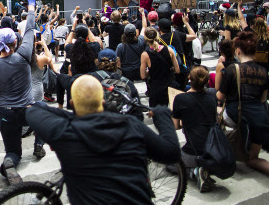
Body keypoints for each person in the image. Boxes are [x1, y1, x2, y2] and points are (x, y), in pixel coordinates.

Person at [26, 74, 180, 204]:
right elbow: (171, 153)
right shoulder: (132, 125)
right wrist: (162, 114)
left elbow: (33, 112)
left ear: (72, 104)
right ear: (103, 103)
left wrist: (74, 116)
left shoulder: (64, 132)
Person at [217, 31, 269, 195]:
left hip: (236, 117)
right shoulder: (263, 73)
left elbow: (220, 96)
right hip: (260, 119)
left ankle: (219, 148)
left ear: (238, 51)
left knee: (212, 105)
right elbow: (262, 100)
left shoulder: (232, 69)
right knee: (252, 159)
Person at [0, 0, 36, 185]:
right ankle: (39, 145)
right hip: (28, 109)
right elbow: (30, 27)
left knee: (13, 151)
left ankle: (9, 164)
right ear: (15, 42)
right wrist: (31, 6)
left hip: (6, 112)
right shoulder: (23, 55)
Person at [172, 66, 218, 193]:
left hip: (193, 151)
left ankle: (194, 172)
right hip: (212, 151)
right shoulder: (211, 99)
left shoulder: (180, 98)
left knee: (169, 162)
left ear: (189, 79)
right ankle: (204, 170)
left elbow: (176, 126)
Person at [141, 27, 180, 107]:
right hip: (170, 85)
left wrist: (150, 72)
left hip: (156, 87)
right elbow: (177, 70)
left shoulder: (145, 55)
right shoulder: (169, 50)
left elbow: (143, 75)